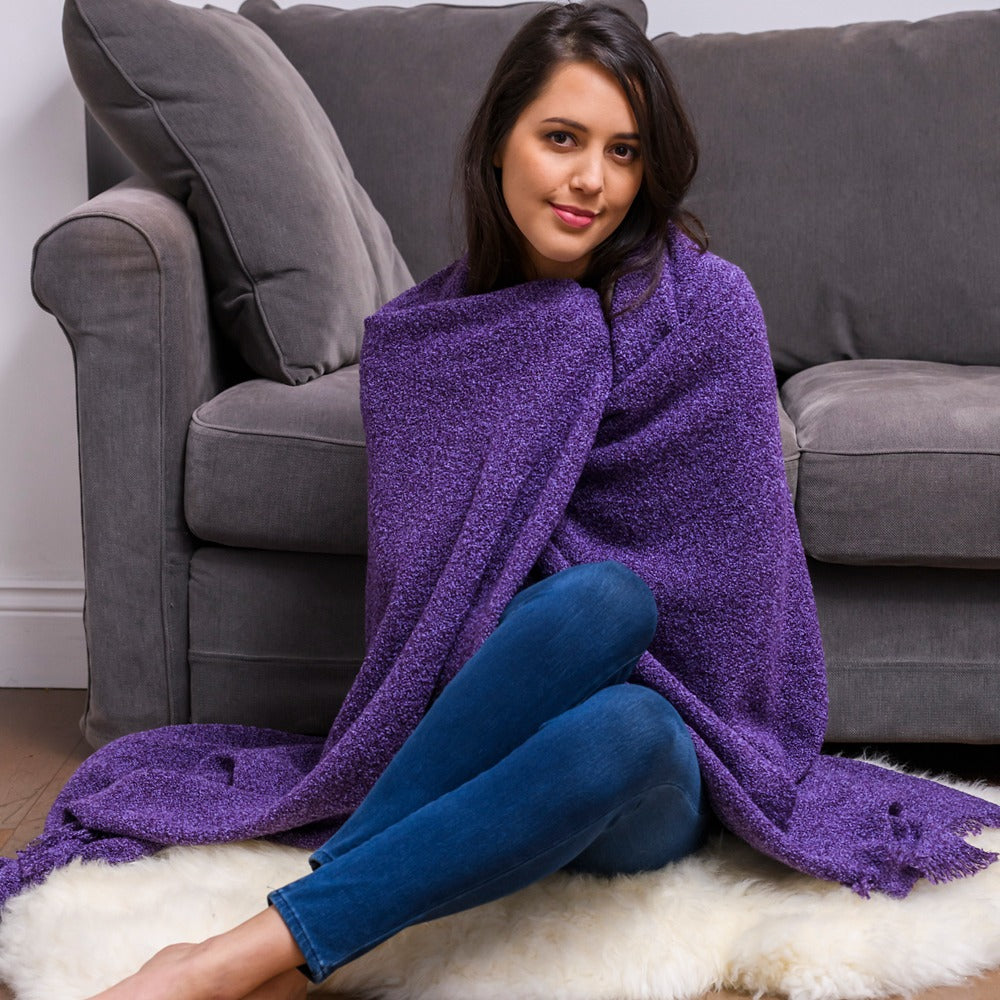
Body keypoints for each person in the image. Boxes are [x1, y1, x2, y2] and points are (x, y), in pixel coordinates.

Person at [84, 4, 719, 998]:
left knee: (629, 703)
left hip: (651, 773)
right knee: (599, 599)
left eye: (624, 151)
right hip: (499, 722)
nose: (591, 178)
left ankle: (240, 951)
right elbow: (434, 598)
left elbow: (732, 586)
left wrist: (573, 344)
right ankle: (332, 913)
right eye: (561, 138)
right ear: (499, 143)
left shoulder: (703, 305)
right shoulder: (435, 339)